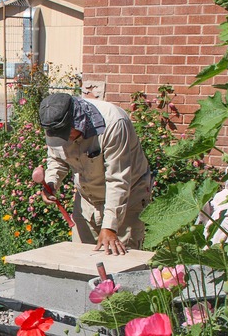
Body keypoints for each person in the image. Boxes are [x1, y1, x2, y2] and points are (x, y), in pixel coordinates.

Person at [38, 92, 152, 255]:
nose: (65, 141)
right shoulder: (54, 123)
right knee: (81, 260)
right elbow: (57, 159)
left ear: (77, 121)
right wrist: (51, 182)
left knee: (120, 266)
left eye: (67, 135)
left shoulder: (113, 123)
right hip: (87, 200)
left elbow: (118, 180)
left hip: (127, 199)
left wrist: (110, 226)